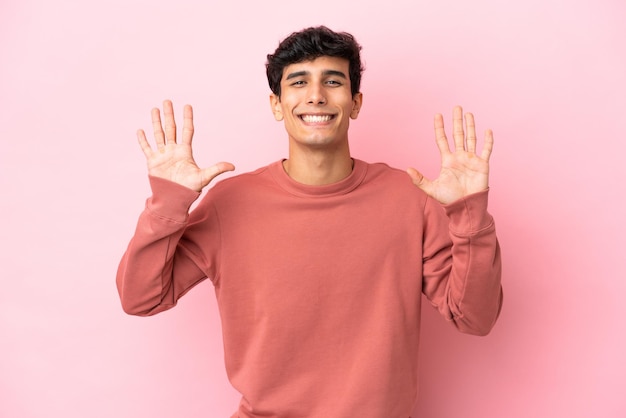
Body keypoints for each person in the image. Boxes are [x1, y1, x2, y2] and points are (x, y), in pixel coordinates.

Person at [117, 26, 503, 418]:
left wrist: (470, 216)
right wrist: (168, 204)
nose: (316, 95)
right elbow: (141, 298)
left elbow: (475, 317)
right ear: (276, 104)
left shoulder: (409, 198)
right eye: (299, 82)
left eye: (333, 81)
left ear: (355, 103)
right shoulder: (229, 204)